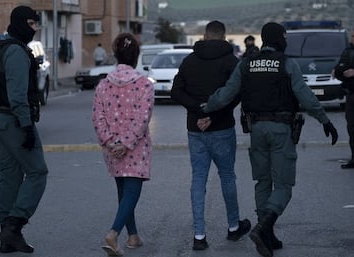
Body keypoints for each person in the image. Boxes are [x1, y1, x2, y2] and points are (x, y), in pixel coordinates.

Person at [202, 22, 338, 257]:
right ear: (278, 38)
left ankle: (267, 235)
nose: (286, 40)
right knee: (284, 185)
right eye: (284, 36)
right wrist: (325, 120)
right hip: (281, 129)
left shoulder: (247, 63)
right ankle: (263, 227)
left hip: (256, 130)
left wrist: (206, 107)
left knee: (262, 182)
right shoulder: (286, 63)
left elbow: (226, 93)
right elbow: (305, 96)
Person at [171, 20, 251, 251]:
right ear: (224, 37)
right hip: (222, 127)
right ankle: (234, 228)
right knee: (227, 176)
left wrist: (197, 111)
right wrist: (212, 114)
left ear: (205, 36)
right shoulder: (231, 62)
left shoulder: (189, 60)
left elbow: (176, 91)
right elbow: (237, 93)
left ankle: (199, 236)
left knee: (198, 179)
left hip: (195, 129)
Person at [0, 5, 48, 254]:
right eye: (32, 25)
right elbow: (17, 95)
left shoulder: (2, 47)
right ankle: (13, 226)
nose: (34, 30)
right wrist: (26, 127)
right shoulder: (16, 52)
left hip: (0, 119)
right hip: (13, 120)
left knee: (10, 176)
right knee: (37, 172)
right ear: (22, 23)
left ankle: (7, 236)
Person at [92, 33, 154, 256]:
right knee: (132, 191)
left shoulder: (102, 85)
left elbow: (97, 117)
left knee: (122, 189)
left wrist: (111, 142)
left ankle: (133, 236)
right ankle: (113, 234)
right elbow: (142, 118)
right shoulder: (144, 84)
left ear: (116, 55)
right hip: (135, 147)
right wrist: (127, 143)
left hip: (111, 149)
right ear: (136, 56)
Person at [333, 31, 354, 169]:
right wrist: (337, 72)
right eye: (352, 36)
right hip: (351, 94)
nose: (352, 38)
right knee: (351, 128)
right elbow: (341, 67)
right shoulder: (348, 51)